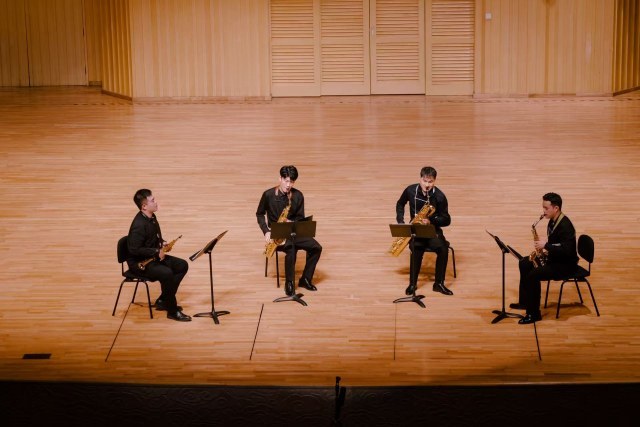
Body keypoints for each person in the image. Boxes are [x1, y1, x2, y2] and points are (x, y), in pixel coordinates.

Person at [511, 192, 578, 324]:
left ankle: (534, 313)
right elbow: (556, 244)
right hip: (555, 258)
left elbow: (568, 251)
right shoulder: (552, 222)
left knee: (533, 275)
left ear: (556, 208)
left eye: (546, 208)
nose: (544, 211)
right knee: (524, 263)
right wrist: (545, 250)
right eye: (543, 207)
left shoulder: (566, 226)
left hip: (565, 265)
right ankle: (525, 302)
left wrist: (546, 245)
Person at [257, 165, 322, 296]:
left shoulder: (298, 196)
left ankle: (305, 279)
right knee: (291, 248)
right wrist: (266, 231)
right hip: (277, 234)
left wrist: (291, 222)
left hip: (293, 231)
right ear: (280, 179)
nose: (288, 185)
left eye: (291, 182)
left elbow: (300, 218)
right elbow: (259, 214)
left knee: (316, 247)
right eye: (286, 181)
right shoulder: (268, 195)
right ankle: (289, 283)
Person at [127, 189, 191, 322]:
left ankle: (163, 299)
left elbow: (153, 238)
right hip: (139, 263)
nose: (156, 202)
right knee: (167, 273)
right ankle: (172, 311)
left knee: (182, 265)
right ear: (144, 206)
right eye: (152, 201)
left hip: (152, 257)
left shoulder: (152, 217)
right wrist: (156, 251)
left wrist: (162, 242)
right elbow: (134, 249)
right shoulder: (138, 225)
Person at [396, 166, 453, 296]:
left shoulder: (439, 196)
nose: (427, 185)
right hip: (416, 229)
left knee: (443, 249)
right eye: (425, 181)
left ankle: (439, 284)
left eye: (430, 182)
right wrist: (400, 221)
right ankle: (412, 284)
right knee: (416, 248)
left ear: (435, 181)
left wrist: (431, 220)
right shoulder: (410, 190)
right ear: (420, 178)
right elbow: (400, 203)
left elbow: (446, 220)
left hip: (433, 230)